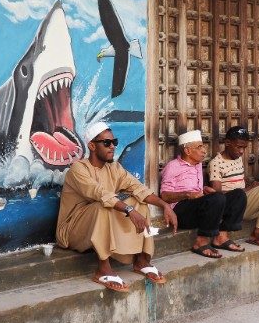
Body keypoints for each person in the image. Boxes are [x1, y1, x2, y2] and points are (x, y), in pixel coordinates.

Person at [56, 121, 178, 293]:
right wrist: (129, 211)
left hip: (99, 223)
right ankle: (103, 270)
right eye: (107, 143)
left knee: (140, 202)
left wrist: (165, 205)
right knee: (103, 206)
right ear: (92, 146)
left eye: (114, 142)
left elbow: (138, 188)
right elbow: (100, 194)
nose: (112, 146)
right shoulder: (78, 169)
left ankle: (142, 260)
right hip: (71, 230)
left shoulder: (114, 167)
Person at [160, 130, 238, 258]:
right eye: (199, 147)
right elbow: (164, 196)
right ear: (187, 151)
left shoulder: (198, 165)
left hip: (197, 207)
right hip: (181, 212)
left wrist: (205, 189)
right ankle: (200, 242)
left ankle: (221, 237)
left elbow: (197, 190)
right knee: (217, 198)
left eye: (203, 146)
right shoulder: (172, 166)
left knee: (238, 195)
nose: (204, 151)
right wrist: (187, 194)